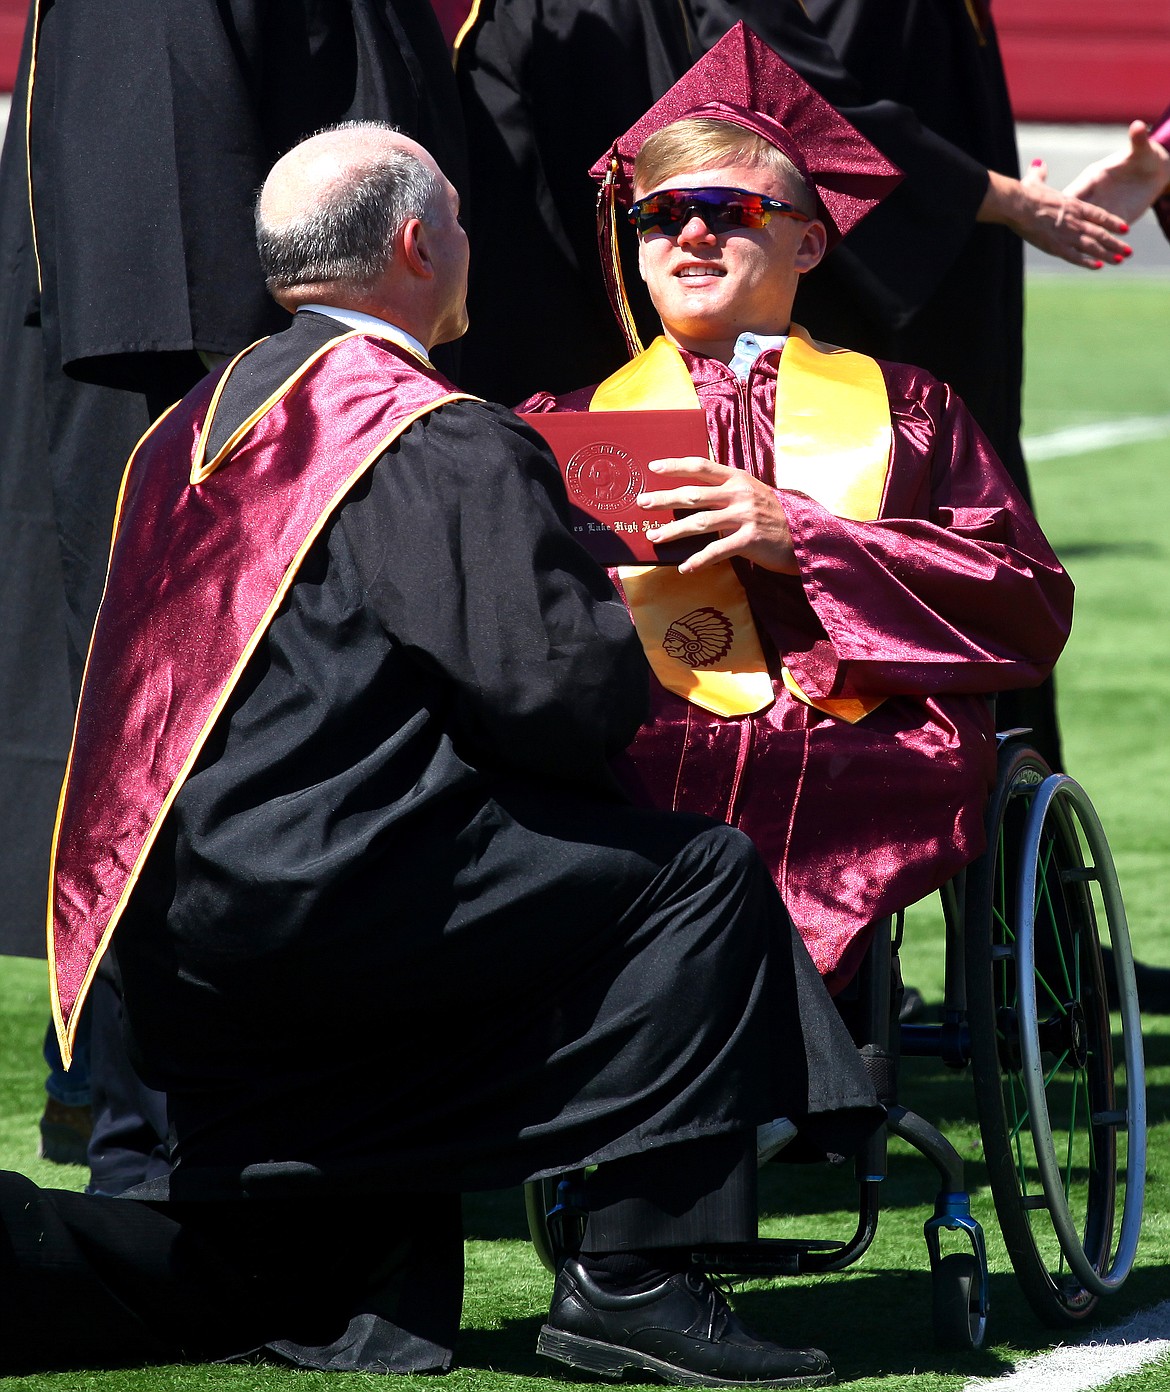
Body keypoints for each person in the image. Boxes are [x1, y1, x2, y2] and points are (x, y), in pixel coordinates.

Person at [25, 122, 880, 1383]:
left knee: (252, 1282)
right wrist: (611, 598)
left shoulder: (196, 422)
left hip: (166, 927)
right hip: (332, 904)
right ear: (421, 245)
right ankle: (636, 1281)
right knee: (696, 873)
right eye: (466, 224)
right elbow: (554, 693)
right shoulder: (427, 431)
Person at [0, 0, 468, 1188]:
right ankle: (150, 1134)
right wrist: (284, 420)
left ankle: (216, 1109)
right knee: (178, 744)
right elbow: (162, 224)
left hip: (301, 391)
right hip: (208, 407)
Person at [520, 24, 1074, 993]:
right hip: (633, 746)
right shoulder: (560, 428)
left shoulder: (911, 409)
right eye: (659, 216)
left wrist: (807, 542)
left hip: (860, 744)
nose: (690, 234)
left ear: (810, 241)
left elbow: (1025, 600)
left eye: (729, 209)